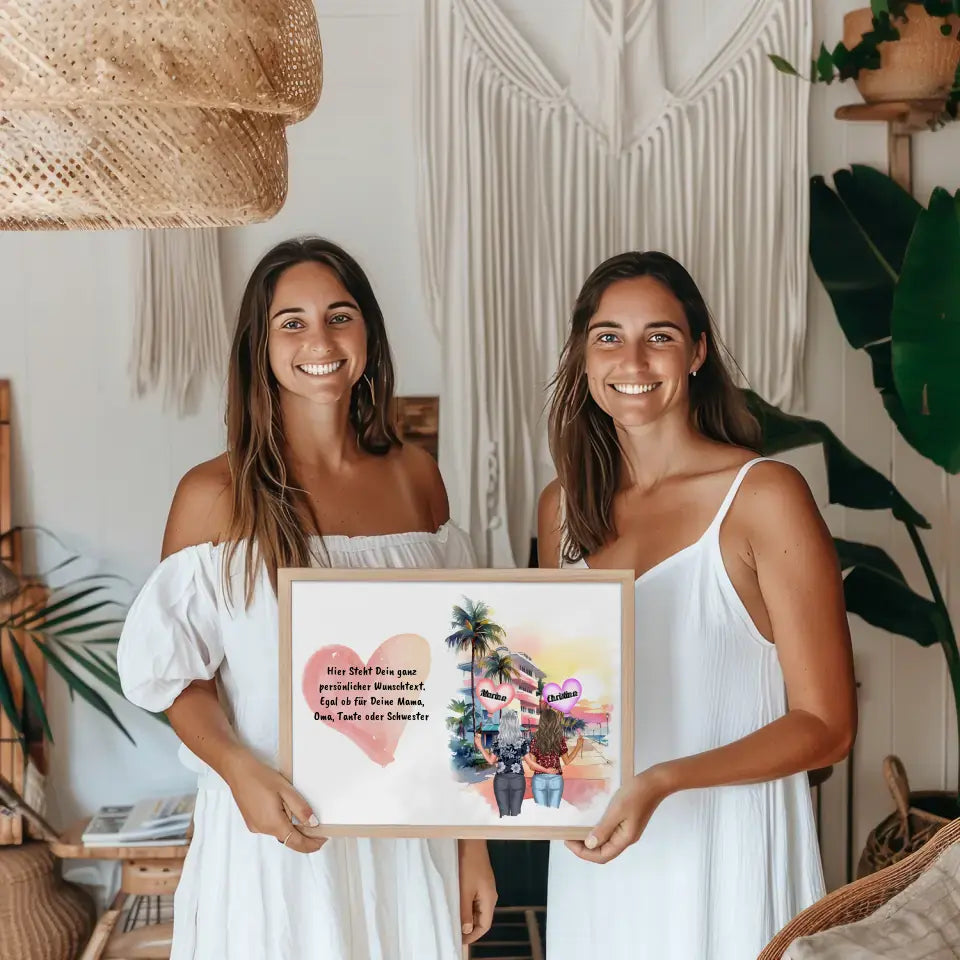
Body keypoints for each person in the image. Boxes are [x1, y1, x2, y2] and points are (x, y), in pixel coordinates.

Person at [117, 237, 497, 960]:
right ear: (259, 347)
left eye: (339, 316)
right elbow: (176, 677)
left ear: (368, 333)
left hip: (409, 831)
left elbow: (464, 673)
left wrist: (471, 844)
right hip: (274, 833)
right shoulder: (213, 495)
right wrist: (239, 771)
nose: (319, 340)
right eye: (291, 322)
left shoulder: (417, 477)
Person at [537, 251, 857, 958]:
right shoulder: (561, 510)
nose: (633, 360)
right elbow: (557, 705)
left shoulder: (764, 496)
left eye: (660, 335)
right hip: (597, 859)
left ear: (698, 352)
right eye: (609, 337)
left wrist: (663, 782)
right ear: (584, 357)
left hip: (725, 857)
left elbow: (827, 726)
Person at [473, 710, 553, 817]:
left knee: (503, 814)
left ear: (503, 724)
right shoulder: (522, 742)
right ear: (516, 724)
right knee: (516, 814)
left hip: (501, 780)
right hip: (518, 780)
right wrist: (546, 770)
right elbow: (531, 764)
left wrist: (479, 746)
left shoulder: (498, 742)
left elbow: (491, 761)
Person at [526, 705, 584, 808]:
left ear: (542, 722)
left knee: (541, 813)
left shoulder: (535, 740)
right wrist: (578, 746)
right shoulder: (559, 739)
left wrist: (545, 770)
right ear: (555, 722)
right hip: (556, 779)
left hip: (539, 780)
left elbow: (532, 766)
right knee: (554, 813)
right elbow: (567, 761)